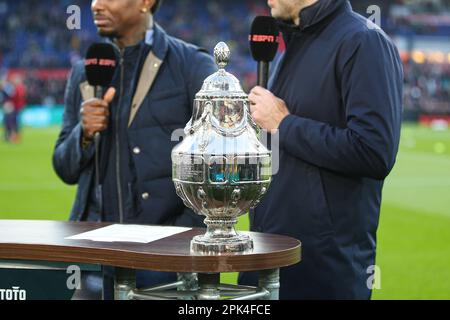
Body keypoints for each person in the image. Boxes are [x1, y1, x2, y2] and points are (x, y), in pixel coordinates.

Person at [240, 0, 403, 299]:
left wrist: (285, 124)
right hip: (266, 255)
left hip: (321, 272)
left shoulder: (364, 41)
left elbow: (374, 150)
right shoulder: (293, 45)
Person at [52, 0, 216, 296]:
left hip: (162, 260)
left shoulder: (191, 65)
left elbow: (216, 163)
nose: (95, 5)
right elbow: (64, 167)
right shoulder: (83, 71)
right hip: (90, 257)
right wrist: (84, 133)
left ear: (145, 3)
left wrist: (180, 234)